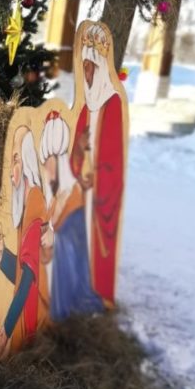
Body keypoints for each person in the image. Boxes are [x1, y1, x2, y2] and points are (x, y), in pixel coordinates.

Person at [70, 22, 124, 306]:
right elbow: (74, 150)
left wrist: (96, 177)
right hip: (82, 189)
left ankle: (96, 293)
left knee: (93, 242)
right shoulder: (84, 103)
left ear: (100, 67)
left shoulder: (112, 103)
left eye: (89, 67)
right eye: (83, 68)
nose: (86, 74)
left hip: (101, 192)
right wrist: (77, 169)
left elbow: (114, 157)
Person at [0, 126, 53, 358]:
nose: (10, 169)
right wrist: (1, 257)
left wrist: (4, 332)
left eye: (15, 159)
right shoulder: (25, 207)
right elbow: (22, 273)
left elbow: (28, 277)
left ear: (25, 161)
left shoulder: (35, 201)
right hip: (29, 308)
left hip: (35, 314)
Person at [40, 111, 103, 322]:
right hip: (61, 222)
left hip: (70, 219)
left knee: (69, 256)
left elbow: (62, 194)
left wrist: (53, 233)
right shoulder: (50, 169)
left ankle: (69, 306)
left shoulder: (63, 171)